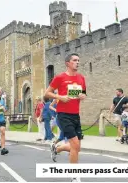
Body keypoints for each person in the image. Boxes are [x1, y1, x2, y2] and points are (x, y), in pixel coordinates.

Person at [44, 53, 86, 182]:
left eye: (78, 60)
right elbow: (47, 93)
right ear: (67, 63)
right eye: (74, 60)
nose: (77, 62)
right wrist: (59, 97)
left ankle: (57, 148)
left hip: (75, 115)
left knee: (77, 147)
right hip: (63, 115)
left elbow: (83, 93)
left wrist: (82, 96)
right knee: (74, 143)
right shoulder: (60, 77)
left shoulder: (81, 78)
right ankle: (74, 176)